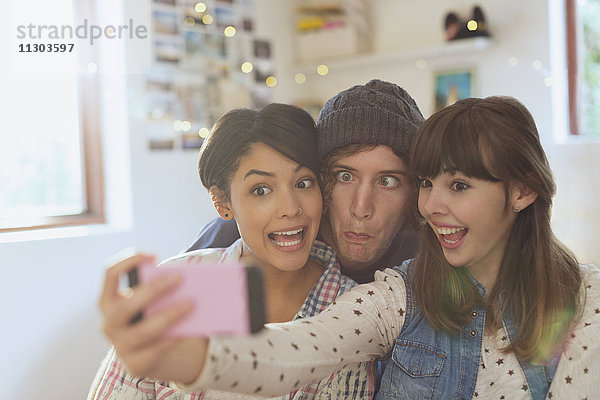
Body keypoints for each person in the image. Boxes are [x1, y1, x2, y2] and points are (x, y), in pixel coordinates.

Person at [100, 96, 599, 399]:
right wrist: (191, 355)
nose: (433, 206)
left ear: (523, 191)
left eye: (460, 186)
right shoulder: (396, 296)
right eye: (341, 177)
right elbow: (293, 350)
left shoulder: (587, 301)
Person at [88, 103, 376, 399]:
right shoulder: (176, 284)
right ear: (222, 203)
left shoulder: (353, 313)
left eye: (303, 183)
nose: (291, 208)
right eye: (261, 190)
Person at [185, 79, 425, 284]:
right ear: (320, 177)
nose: (361, 208)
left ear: (414, 192)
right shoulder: (235, 238)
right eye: (345, 176)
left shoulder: (427, 257)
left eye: (388, 181)